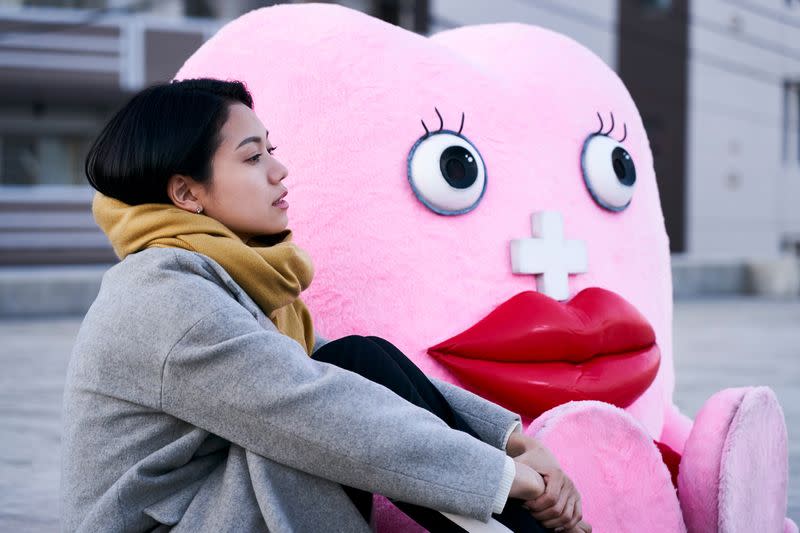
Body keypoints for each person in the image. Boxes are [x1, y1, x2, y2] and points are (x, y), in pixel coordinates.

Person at [61, 77, 591, 533]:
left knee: (358, 357)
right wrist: (503, 476)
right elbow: (314, 406)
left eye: (271, 149)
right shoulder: (164, 297)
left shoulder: (225, 278)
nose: (280, 170)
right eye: (253, 157)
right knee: (322, 417)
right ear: (186, 193)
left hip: (208, 509)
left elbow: (340, 372)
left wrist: (510, 443)